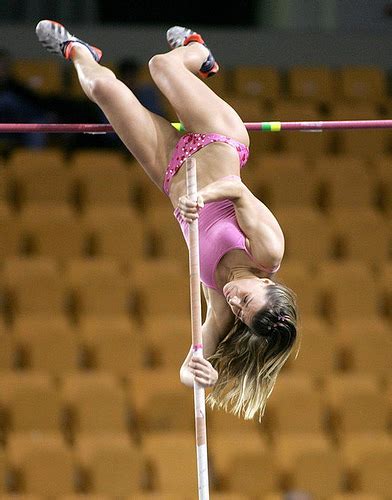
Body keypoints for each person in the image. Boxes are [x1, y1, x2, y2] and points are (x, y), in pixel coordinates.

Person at [36, 20, 298, 420]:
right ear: (265, 282)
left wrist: (194, 372)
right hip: (217, 138)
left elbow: (192, 361)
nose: (234, 301)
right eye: (246, 299)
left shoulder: (223, 309)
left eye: (240, 313)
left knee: (102, 91)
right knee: (162, 66)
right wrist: (203, 196)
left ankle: (77, 50)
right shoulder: (267, 251)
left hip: (170, 172)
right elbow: (238, 190)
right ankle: (196, 49)